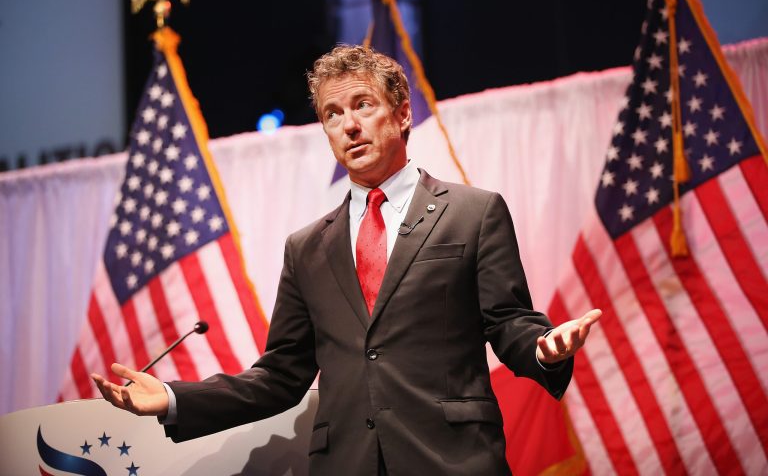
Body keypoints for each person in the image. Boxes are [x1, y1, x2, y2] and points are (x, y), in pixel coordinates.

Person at [93, 45, 602, 475]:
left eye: (363, 105)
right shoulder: (307, 248)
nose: (349, 126)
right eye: (333, 115)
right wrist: (174, 398)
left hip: (452, 460)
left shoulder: (472, 213)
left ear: (402, 114)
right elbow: (280, 376)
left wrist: (543, 346)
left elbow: (507, 321)